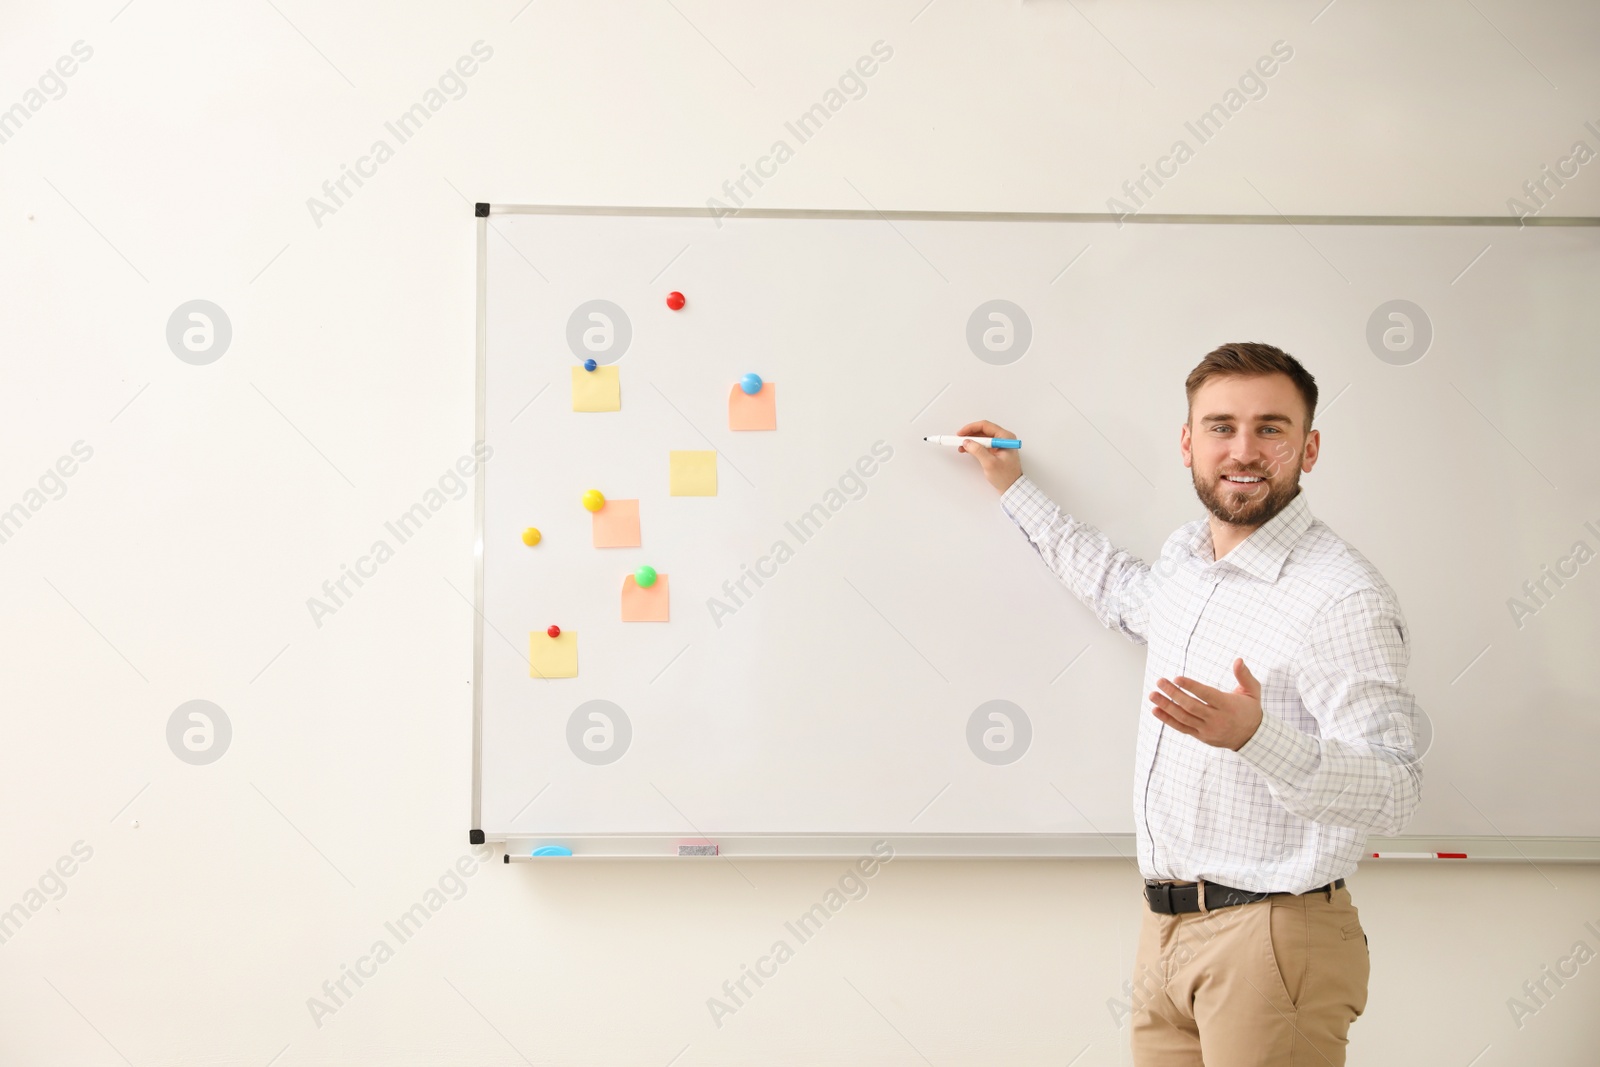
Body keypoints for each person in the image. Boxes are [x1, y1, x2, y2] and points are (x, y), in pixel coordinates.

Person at [957, 342, 1423, 1066]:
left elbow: (1395, 790)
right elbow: (1116, 588)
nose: (1244, 449)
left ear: (1310, 446)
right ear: (1188, 442)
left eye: (1271, 428)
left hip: (1271, 936)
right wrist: (1013, 485)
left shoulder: (1342, 597)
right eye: (1220, 426)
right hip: (1167, 928)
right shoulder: (1189, 559)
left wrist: (1258, 737)